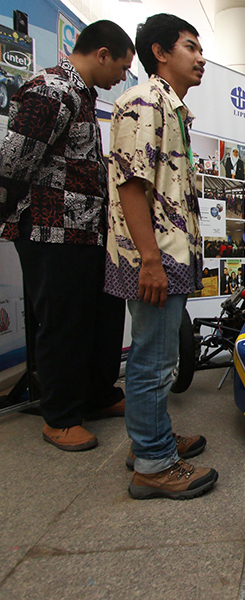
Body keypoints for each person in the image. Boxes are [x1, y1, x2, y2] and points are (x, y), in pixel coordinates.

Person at [0, 21, 134, 451]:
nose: (122, 77)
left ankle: (97, 394)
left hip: (87, 234)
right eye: (122, 67)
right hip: (49, 231)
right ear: (102, 54)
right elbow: (13, 162)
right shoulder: (50, 90)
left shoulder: (81, 97)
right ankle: (59, 417)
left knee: (100, 318)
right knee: (63, 324)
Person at [105, 13, 218, 499]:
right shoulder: (145, 101)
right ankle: (153, 463)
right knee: (153, 361)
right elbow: (132, 186)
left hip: (167, 254)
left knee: (161, 355)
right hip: (153, 258)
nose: (200, 57)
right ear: (159, 52)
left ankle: (148, 440)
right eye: (190, 46)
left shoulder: (169, 109)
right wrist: (150, 260)